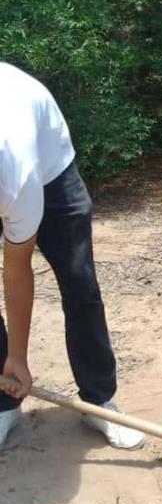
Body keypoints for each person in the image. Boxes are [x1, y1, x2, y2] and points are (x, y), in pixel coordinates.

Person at [0, 62, 145, 450]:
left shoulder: (16, 176)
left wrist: (19, 355)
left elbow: (16, 270)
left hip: (50, 169)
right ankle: (5, 402)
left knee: (79, 282)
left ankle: (99, 402)